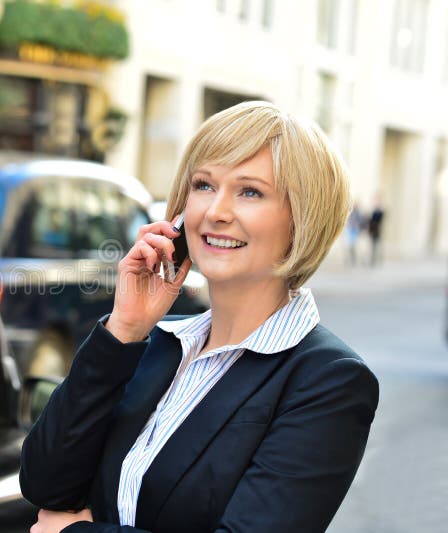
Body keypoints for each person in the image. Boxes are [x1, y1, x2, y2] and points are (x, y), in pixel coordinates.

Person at [20, 101, 379, 533]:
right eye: (204, 185)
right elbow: (44, 482)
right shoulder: (156, 347)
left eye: (250, 191)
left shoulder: (329, 380)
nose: (216, 212)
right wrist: (125, 328)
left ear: (302, 219)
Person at [367, 197, 385, 267]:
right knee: (373, 246)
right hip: (372, 231)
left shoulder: (380, 212)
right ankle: (373, 260)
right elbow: (370, 221)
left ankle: (378, 260)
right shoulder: (374, 211)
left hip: (377, 231)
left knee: (378, 246)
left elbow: (379, 221)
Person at [345, 202, 361, 266]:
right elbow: (348, 220)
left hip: (354, 230)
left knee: (353, 245)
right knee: (350, 246)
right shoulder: (350, 212)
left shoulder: (357, 213)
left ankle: (353, 259)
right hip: (350, 230)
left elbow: (359, 221)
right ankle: (350, 259)